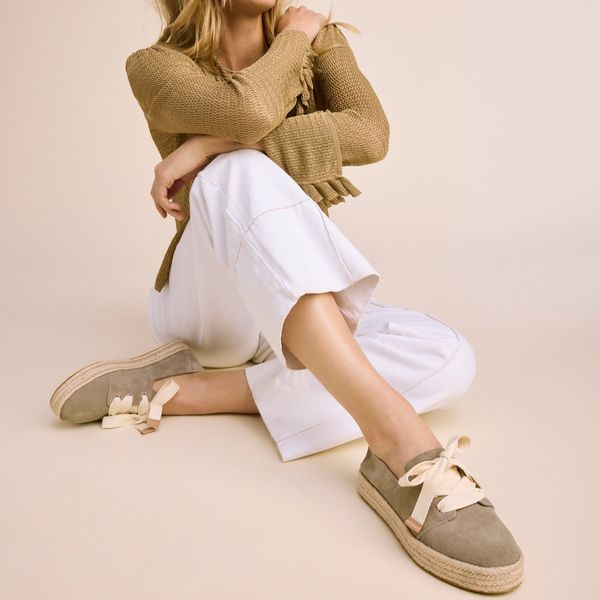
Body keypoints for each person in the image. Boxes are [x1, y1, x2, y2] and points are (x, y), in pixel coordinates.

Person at [49, 1, 524, 592]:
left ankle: (183, 390)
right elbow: (248, 110)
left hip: (290, 302)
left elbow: (371, 135)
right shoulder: (156, 65)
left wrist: (203, 145)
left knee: (451, 358)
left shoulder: (321, 39)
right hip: (210, 311)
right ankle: (399, 443)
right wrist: (287, 52)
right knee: (238, 172)